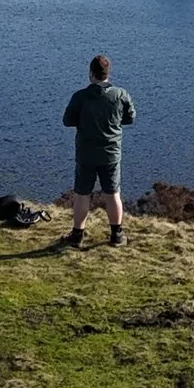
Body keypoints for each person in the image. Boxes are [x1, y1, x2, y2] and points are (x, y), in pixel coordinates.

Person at [61, 53, 137, 247]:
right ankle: (116, 235)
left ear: (90, 73)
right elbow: (130, 118)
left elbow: (67, 121)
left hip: (86, 153)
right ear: (107, 73)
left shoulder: (80, 97)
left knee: (82, 194)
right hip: (111, 154)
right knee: (113, 194)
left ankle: (77, 235)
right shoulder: (121, 95)